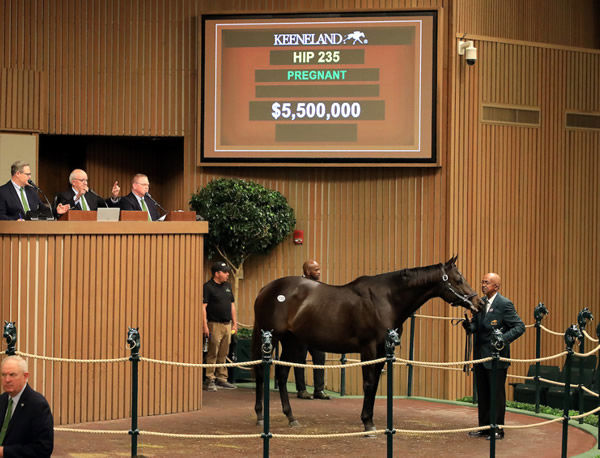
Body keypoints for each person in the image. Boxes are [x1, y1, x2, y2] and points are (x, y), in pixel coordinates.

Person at [463, 272, 525, 440]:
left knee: (496, 394)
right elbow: (477, 326)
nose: (483, 285)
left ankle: (497, 429)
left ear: (496, 287)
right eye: (482, 282)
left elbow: (519, 327)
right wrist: (469, 326)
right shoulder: (480, 302)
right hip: (480, 357)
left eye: (487, 283)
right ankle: (484, 427)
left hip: (496, 358)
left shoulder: (504, 304)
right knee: (482, 393)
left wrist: (502, 339)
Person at [0, 355, 53, 457]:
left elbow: (43, 449)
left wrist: (4, 452)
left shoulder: (38, 405)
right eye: (3, 375)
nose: (7, 379)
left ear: (25, 377)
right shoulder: (2, 400)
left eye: (12, 375)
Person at [295, 260, 330, 400]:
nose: (319, 272)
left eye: (319, 269)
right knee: (299, 360)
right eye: (316, 269)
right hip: (301, 331)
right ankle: (301, 390)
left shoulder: (321, 286)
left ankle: (319, 390)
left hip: (317, 331)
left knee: (320, 358)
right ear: (308, 272)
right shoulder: (297, 286)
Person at [203, 261, 238, 391]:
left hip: (227, 324)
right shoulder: (208, 287)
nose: (228, 274)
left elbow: (232, 305)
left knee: (224, 352)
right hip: (214, 324)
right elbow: (203, 307)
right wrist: (205, 325)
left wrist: (235, 323)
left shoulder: (228, 286)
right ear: (217, 274)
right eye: (225, 272)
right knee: (213, 352)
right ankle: (209, 378)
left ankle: (222, 378)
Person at [0, 161, 66, 220]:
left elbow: (43, 210)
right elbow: (1, 216)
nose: (30, 177)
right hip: (13, 230)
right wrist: (16, 221)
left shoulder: (32, 190)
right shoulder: (3, 191)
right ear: (18, 174)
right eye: (27, 174)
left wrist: (55, 211)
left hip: (34, 229)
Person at [54, 168, 120, 215]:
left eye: (86, 180)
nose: (85, 183)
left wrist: (114, 197)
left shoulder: (91, 195)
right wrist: (77, 196)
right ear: (73, 182)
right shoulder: (63, 195)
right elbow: (60, 211)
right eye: (82, 180)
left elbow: (105, 206)